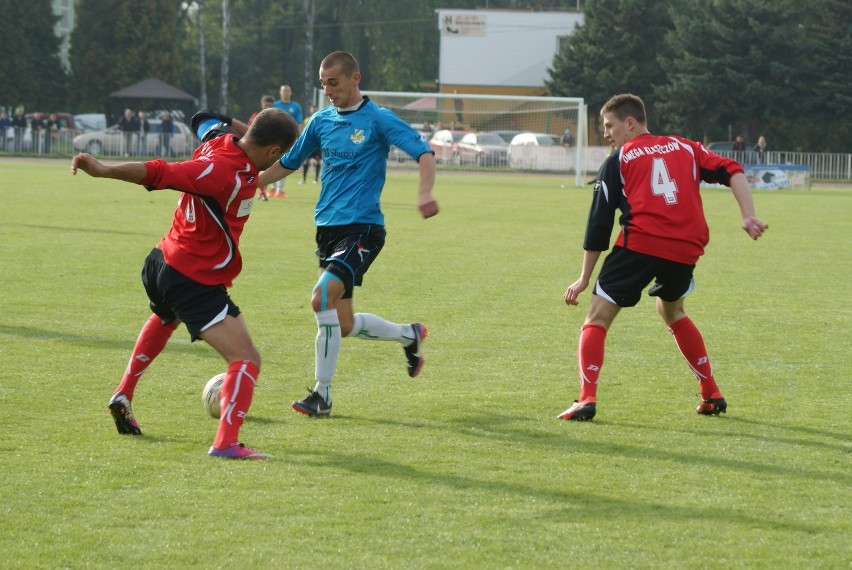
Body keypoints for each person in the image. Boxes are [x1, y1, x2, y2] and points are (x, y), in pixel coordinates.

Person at [70, 107, 300, 459]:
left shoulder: (216, 140)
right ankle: (226, 443)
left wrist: (239, 126)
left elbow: (202, 117)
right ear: (273, 152)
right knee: (246, 359)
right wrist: (102, 170)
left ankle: (124, 392)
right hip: (192, 277)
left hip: (162, 260)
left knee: (165, 318)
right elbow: (160, 171)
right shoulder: (223, 172)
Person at [558, 93, 768, 422]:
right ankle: (711, 393)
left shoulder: (619, 159)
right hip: (686, 248)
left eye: (610, 126)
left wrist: (585, 277)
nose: (607, 133)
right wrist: (748, 215)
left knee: (597, 317)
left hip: (641, 243)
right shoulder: (686, 147)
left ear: (630, 123)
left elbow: (600, 223)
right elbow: (733, 170)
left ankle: (586, 398)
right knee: (672, 310)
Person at [259, 50, 439, 417]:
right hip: (327, 230)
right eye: (323, 83)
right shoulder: (320, 121)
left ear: (356, 78)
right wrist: (246, 184)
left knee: (320, 297)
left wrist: (424, 193)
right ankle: (410, 335)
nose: (327, 90)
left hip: (364, 229)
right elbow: (288, 163)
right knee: (341, 323)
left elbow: (423, 153)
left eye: (334, 82)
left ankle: (321, 396)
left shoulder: (378, 119)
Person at [271, 84, 304, 198]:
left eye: (288, 91)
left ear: (291, 93)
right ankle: (273, 188)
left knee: (283, 162)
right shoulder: (275, 105)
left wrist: (300, 137)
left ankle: (280, 190)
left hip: (289, 139)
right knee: (271, 162)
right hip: (274, 137)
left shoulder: (296, 107)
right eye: (284, 91)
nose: (286, 93)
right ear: (280, 93)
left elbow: (299, 123)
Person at [248, 95, 275, 201]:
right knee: (256, 169)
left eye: (270, 105)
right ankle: (262, 193)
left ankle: (262, 192)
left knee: (267, 170)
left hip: (270, 147)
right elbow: (248, 130)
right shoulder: (256, 116)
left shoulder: (275, 117)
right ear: (262, 104)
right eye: (266, 104)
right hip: (257, 147)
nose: (267, 107)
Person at [299, 105, 321, 185]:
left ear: (318, 109)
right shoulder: (307, 120)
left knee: (318, 161)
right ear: (311, 109)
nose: (314, 109)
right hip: (309, 143)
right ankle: (304, 179)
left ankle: (316, 179)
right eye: (313, 108)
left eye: (316, 108)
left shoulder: (321, 118)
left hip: (317, 144)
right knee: (306, 161)